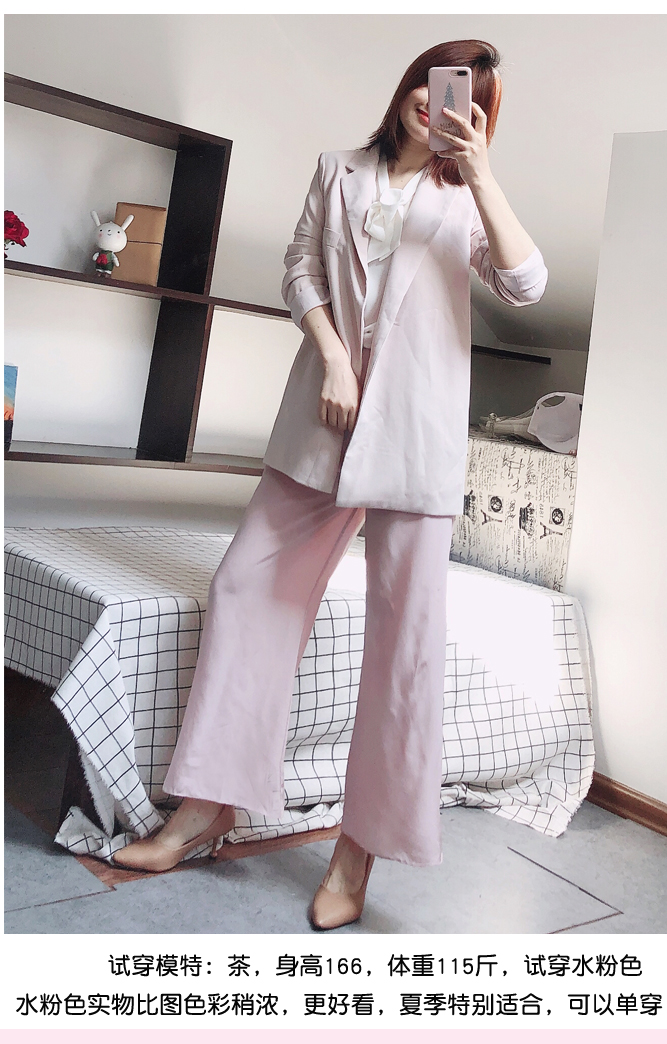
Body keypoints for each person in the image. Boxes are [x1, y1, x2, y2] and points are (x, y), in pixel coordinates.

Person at [113, 39, 548, 930]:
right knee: (246, 587)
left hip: (416, 435)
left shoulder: (466, 201)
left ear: (477, 115)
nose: (436, 103)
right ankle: (206, 810)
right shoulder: (338, 169)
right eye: (431, 83)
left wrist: (482, 172)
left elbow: (527, 285)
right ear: (409, 85)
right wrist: (335, 359)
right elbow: (300, 268)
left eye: (461, 97)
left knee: (405, 642)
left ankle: (357, 855)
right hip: (327, 413)